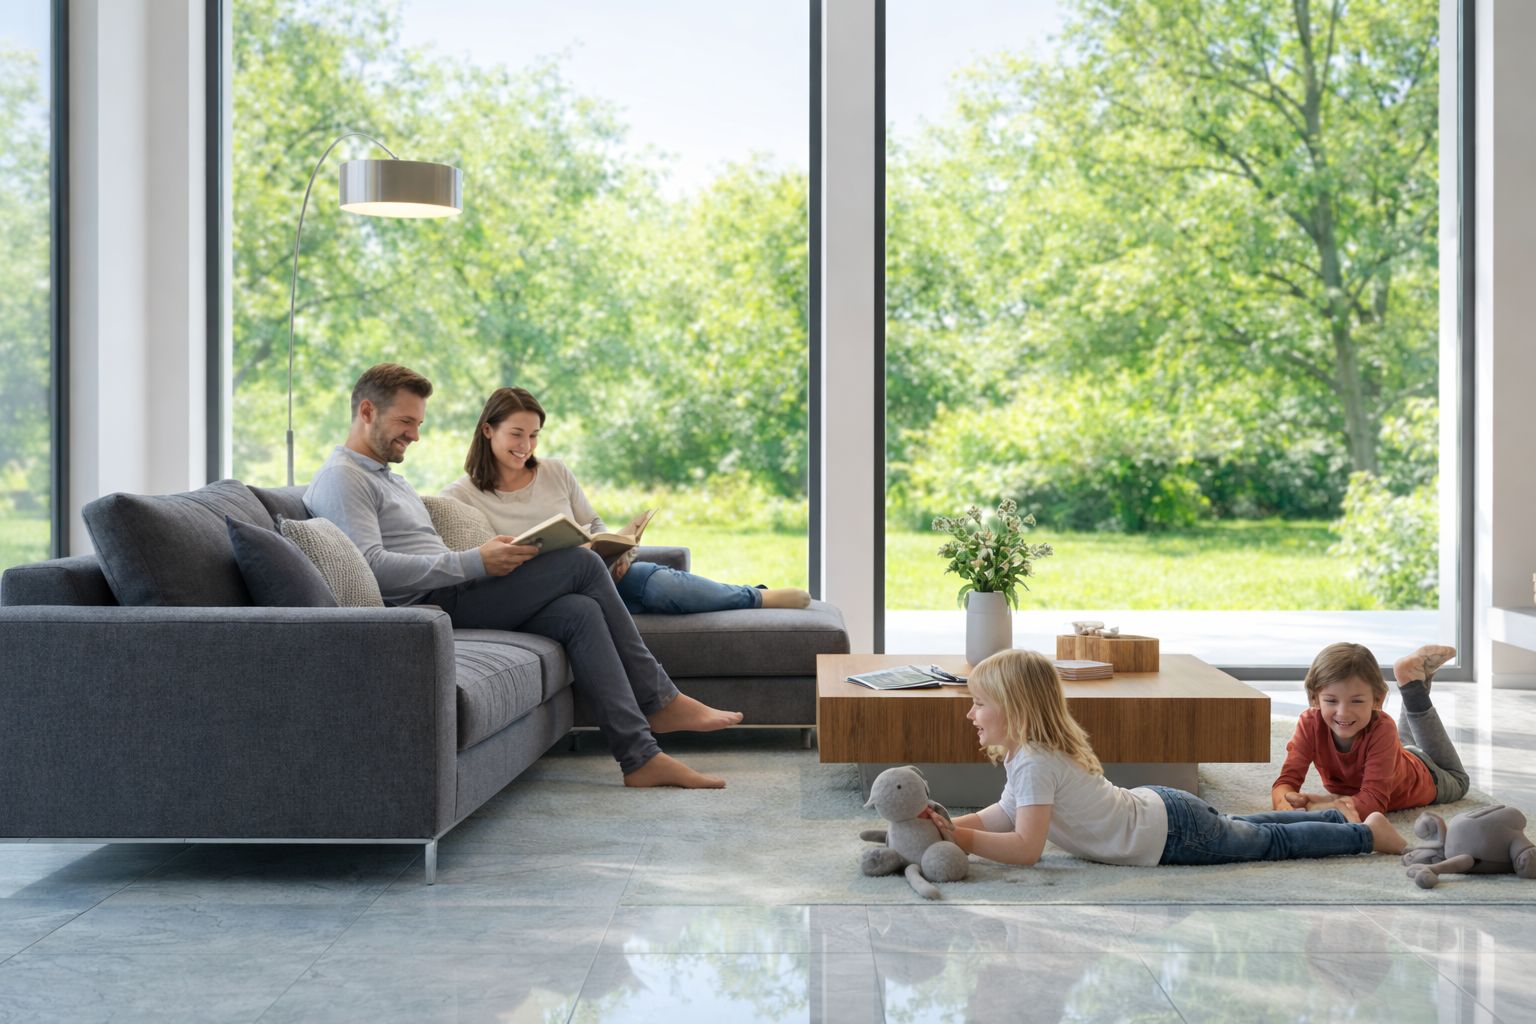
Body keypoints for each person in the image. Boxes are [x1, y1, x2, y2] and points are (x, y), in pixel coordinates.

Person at [304, 363, 742, 789]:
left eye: (418, 423)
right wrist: (476, 561)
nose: (415, 435)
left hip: (456, 590)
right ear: (366, 411)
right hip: (430, 606)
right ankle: (660, 699)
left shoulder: (387, 478)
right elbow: (373, 568)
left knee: (580, 611)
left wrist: (487, 559)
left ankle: (640, 758)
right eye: (406, 422)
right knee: (584, 563)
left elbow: (419, 552)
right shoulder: (343, 479)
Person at [926, 649, 1406, 867]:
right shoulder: (1030, 754)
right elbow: (1007, 814)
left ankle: (1366, 835)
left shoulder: (1033, 762)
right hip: (1161, 812)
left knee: (1264, 842)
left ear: (1014, 709)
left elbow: (1027, 850)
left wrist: (961, 841)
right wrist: (949, 826)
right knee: (1249, 825)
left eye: (979, 703)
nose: (971, 713)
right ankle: (1332, 817)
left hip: (1169, 835)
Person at [439, 386, 812, 615]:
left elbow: (595, 525)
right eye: (516, 434)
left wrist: (619, 548)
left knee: (661, 587)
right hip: (542, 590)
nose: (526, 447)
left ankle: (755, 598)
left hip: (596, 572)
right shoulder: (460, 497)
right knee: (649, 591)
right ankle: (751, 598)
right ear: (487, 430)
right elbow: (472, 564)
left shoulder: (555, 471)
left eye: (534, 435)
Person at [1270, 642, 1467, 819]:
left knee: (1459, 781)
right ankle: (1413, 679)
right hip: (1398, 756)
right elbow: (1286, 781)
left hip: (1430, 776)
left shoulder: (1383, 728)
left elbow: (1373, 804)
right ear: (1315, 698)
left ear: (1378, 700)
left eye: (1356, 701)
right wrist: (1284, 801)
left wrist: (1319, 806)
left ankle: (1412, 686)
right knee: (1402, 744)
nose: (1343, 713)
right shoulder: (1309, 722)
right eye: (1331, 701)